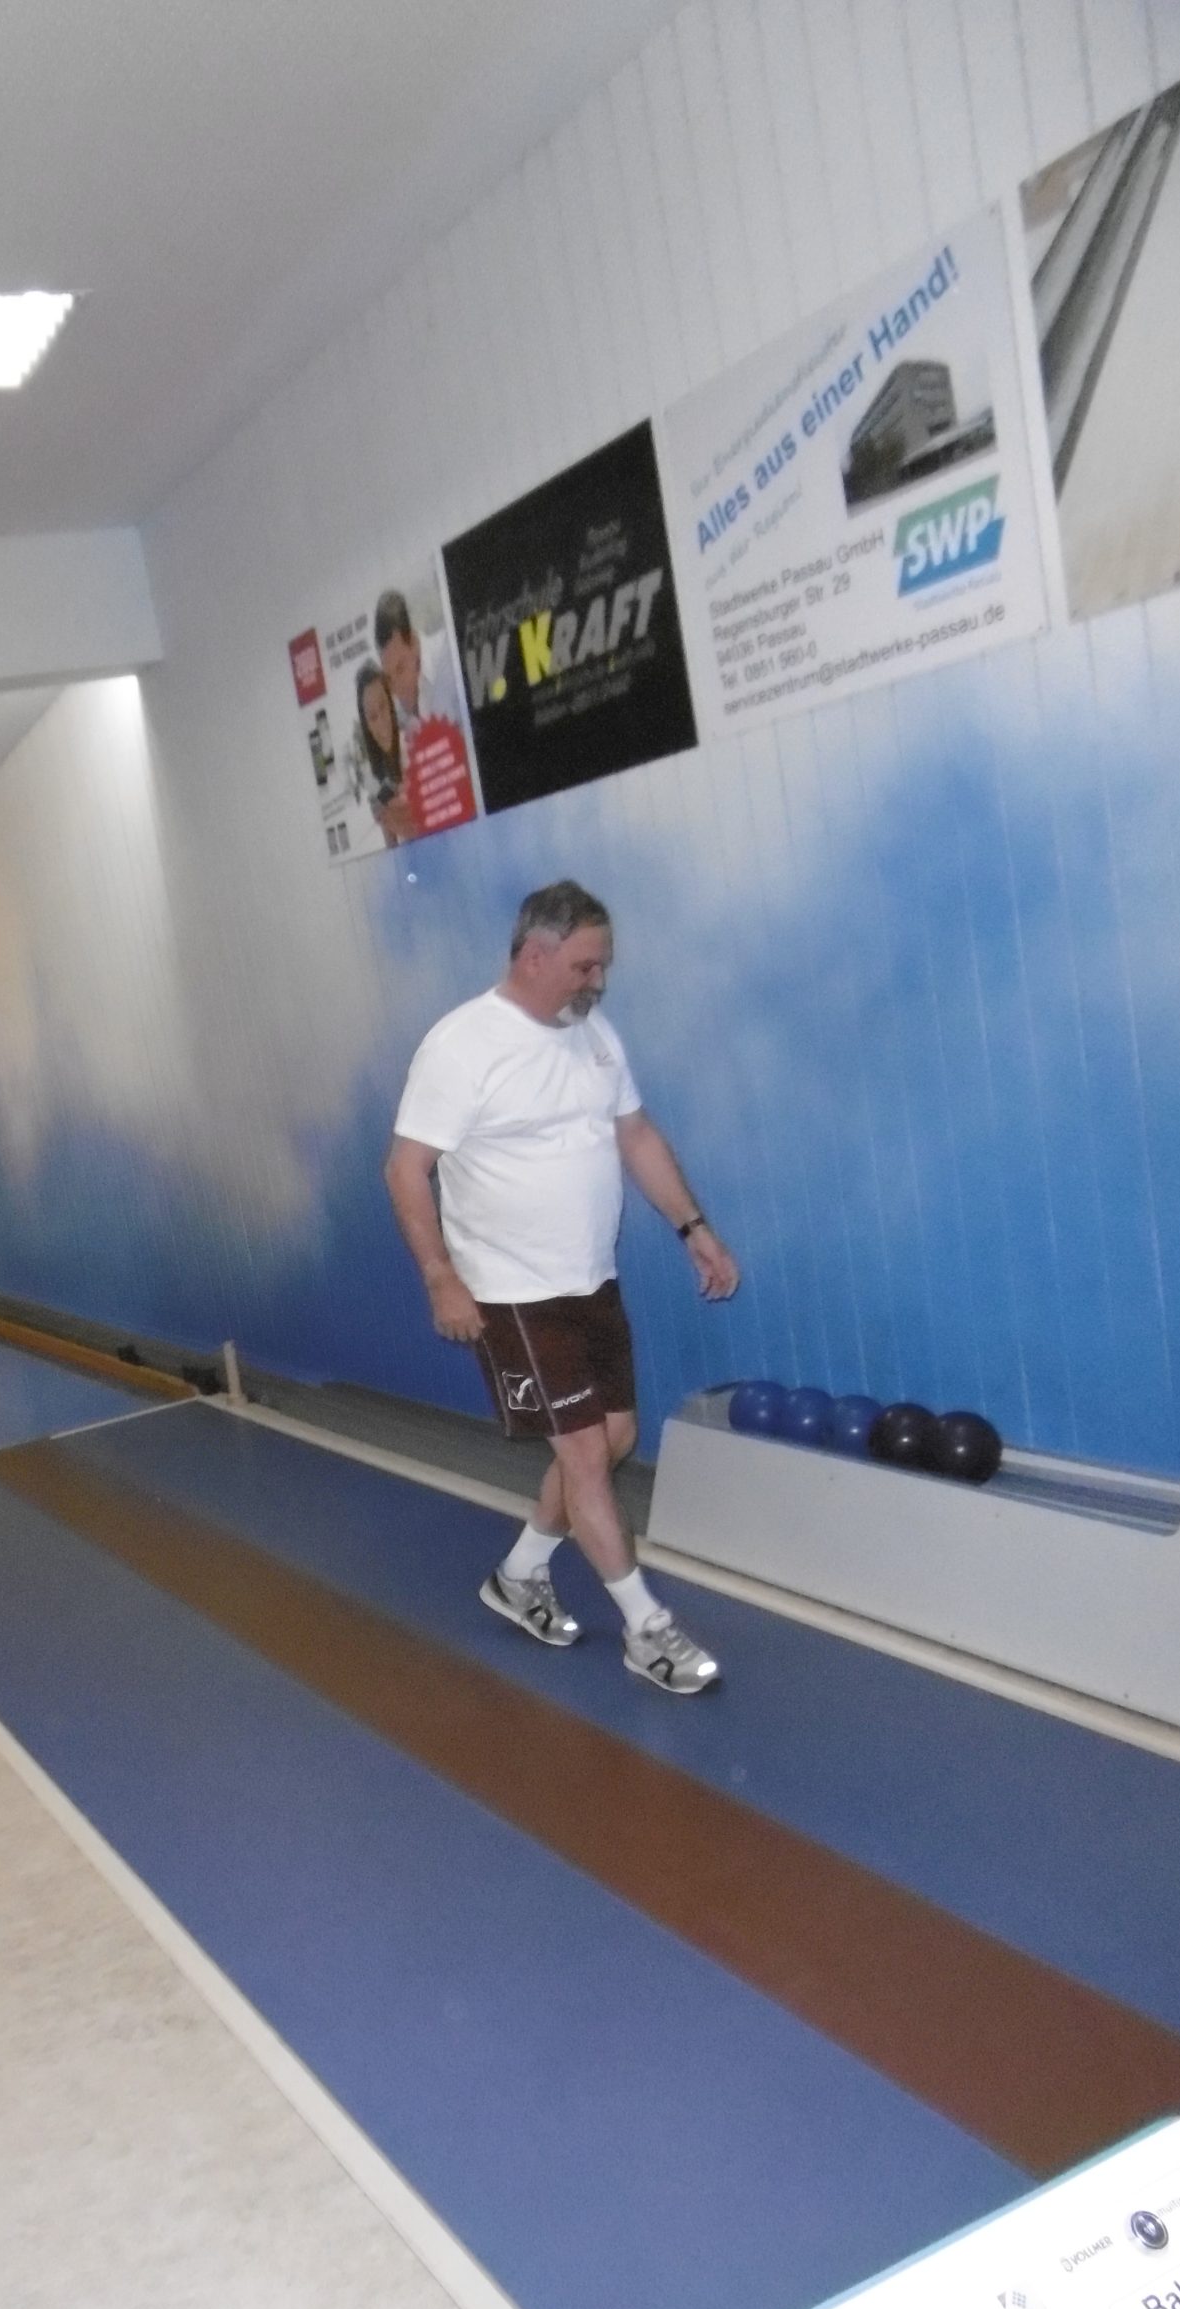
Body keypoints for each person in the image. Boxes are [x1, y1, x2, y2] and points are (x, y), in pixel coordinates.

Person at [385, 880, 740, 1695]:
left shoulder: (593, 1033)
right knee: (582, 1453)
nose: (598, 981)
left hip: (590, 1279)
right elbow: (405, 1169)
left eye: (602, 966)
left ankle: (519, 1576)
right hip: (511, 1290)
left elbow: (636, 1135)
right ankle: (646, 1629)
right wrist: (441, 1278)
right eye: (586, 966)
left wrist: (694, 1228)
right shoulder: (463, 1045)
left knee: (612, 1440)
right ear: (535, 956)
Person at [374, 588, 465, 738]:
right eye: (389, 679)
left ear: (413, 642)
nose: (397, 689)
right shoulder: (397, 715)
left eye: (400, 669)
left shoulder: (451, 654)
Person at [352, 660, 415, 846]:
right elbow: (392, 847)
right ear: (367, 726)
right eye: (372, 717)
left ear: (391, 703)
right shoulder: (377, 778)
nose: (382, 723)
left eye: (383, 706)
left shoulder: (413, 745)